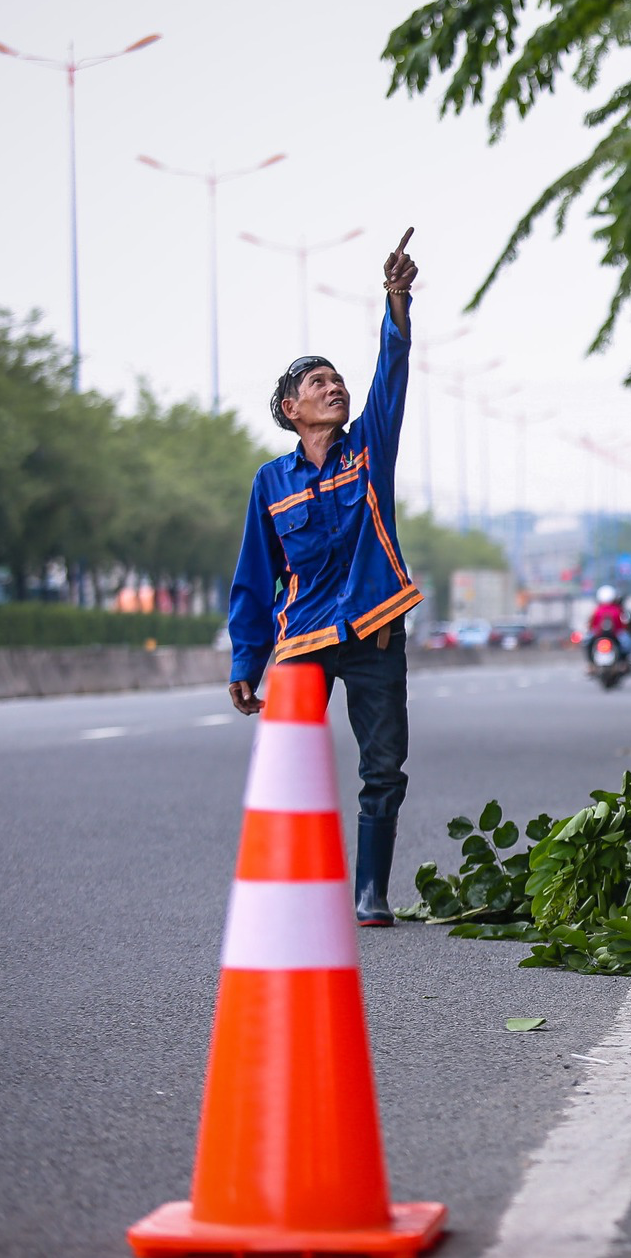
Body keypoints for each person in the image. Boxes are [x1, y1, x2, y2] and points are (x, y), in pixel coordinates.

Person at [227, 229, 422, 926]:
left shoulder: (369, 447)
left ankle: (370, 892)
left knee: (382, 771)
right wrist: (247, 658)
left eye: (338, 381)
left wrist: (396, 300)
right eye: (319, 384)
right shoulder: (270, 483)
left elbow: (392, 373)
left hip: (373, 630)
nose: (335, 389)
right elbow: (255, 576)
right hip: (304, 640)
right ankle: (291, 892)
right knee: (290, 763)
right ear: (292, 409)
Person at [585, 585, 631, 669]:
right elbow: (625, 624)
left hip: (601, 634)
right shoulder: (618, 609)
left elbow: (590, 624)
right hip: (613, 634)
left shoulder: (597, 609)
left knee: (587, 642)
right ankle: (624, 662)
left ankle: (590, 664)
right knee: (628, 643)